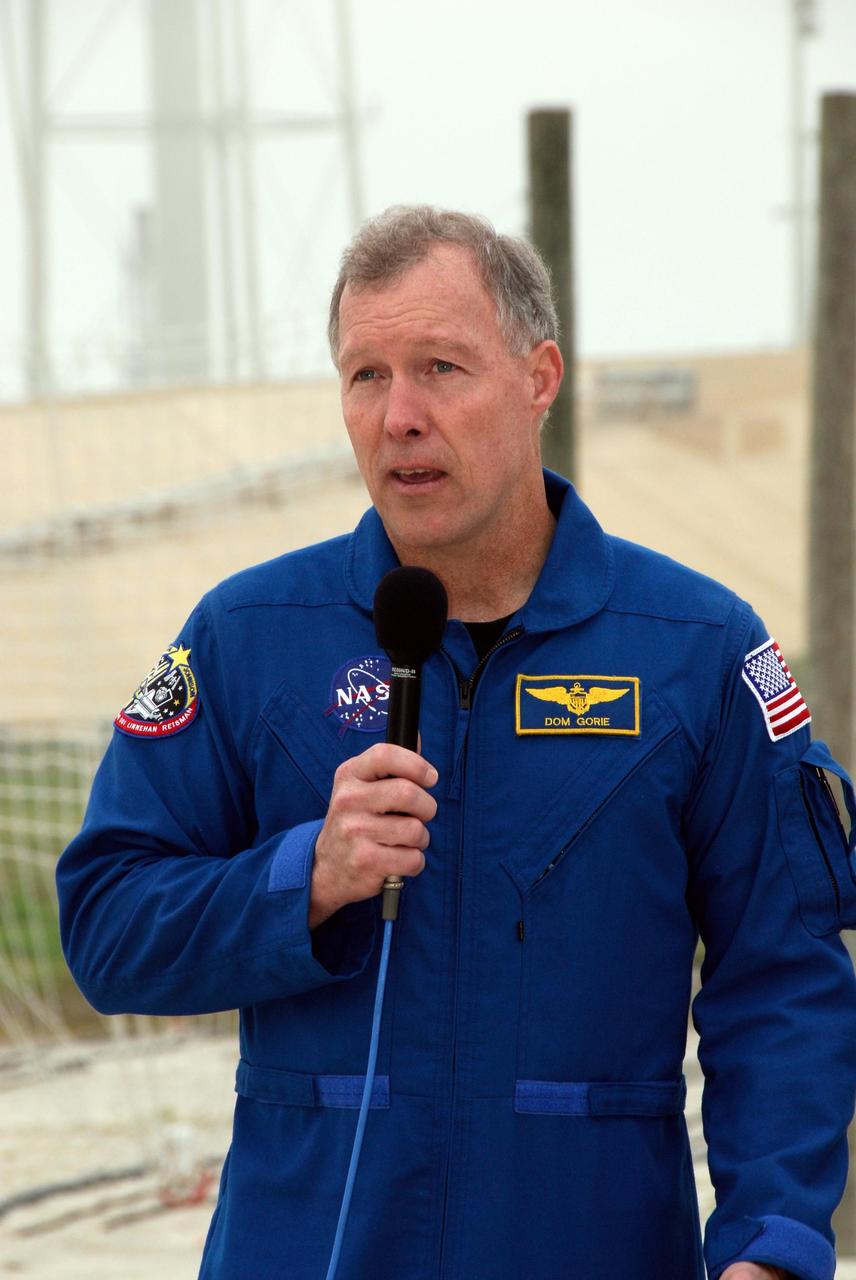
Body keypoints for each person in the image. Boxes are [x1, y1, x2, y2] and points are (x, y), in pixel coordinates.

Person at [57, 206, 856, 1280]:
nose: (400, 416)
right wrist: (306, 878)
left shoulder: (698, 648)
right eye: (366, 376)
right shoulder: (246, 636)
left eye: (440, 367)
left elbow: (784, 977)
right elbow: (105, 925)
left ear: (538, 378)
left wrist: (772, 1243)